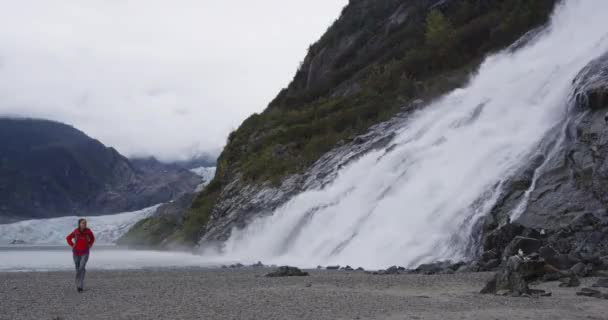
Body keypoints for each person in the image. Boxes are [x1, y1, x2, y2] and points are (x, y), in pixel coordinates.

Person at [66, 218, 95, 292]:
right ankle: (78, 284)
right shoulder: (75, 232)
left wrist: (90, 244)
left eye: (85, 223)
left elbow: (92, 238)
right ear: (79, 224)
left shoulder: (88, 231)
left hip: (85, 252)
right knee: (77, 267)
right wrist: (72, 245)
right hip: (76, 252)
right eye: (83, 223)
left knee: (81, 267)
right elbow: (68, 238)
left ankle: (80, 285)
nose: (84, 224)